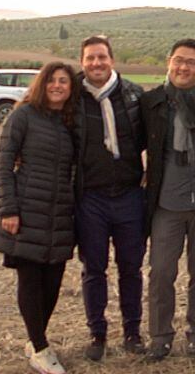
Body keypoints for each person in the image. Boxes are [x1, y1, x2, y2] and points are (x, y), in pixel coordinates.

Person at [140, 39, 195, 362]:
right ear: (169, 62)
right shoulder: (152, 102)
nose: (183, 67)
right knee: (161, 273)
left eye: (191, 62)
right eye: (178, 60)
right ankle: (160, 336)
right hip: (167, 204)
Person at [0, 62, 78, 374]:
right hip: (26, 210)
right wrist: (7, 209)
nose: (57, 86)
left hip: (61, 214)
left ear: (70, 88)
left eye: (63, 81)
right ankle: (39, 348)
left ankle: (34, 338)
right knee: (30, 279)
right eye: (51, 80)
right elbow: (3, 163)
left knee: (52, 282)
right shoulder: (23, 115)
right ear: (41, 84)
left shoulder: (69, 121)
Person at [73, 35, 147, 361]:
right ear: (82, 62)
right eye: (90, 58)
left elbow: (152, 140)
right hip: (91, 199)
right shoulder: (71, 97)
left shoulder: (133, 95)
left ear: (111, 60)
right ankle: (97, 333)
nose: (96, 63)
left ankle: (132, 331)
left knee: (131, 268)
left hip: (130, 196)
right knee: (94, 269)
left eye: (101, 57)